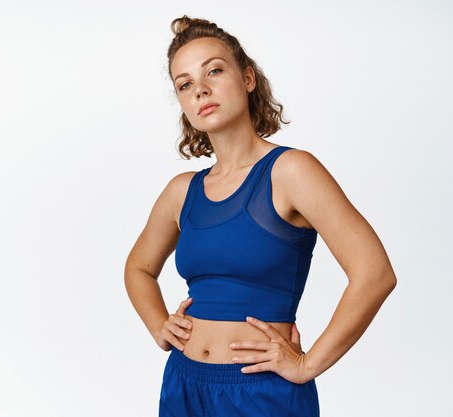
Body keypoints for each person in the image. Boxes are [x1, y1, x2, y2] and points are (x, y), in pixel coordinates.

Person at [124, 15, 397, 417]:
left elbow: (375, 273)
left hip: (261, 393)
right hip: (183, 385)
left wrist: (308, 364)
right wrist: (158, 324)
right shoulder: (182, 191)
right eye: (185, 84)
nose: (200, 89)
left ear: (248, 78)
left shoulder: (291, 171)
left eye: (214, 71)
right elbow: (138, 268)